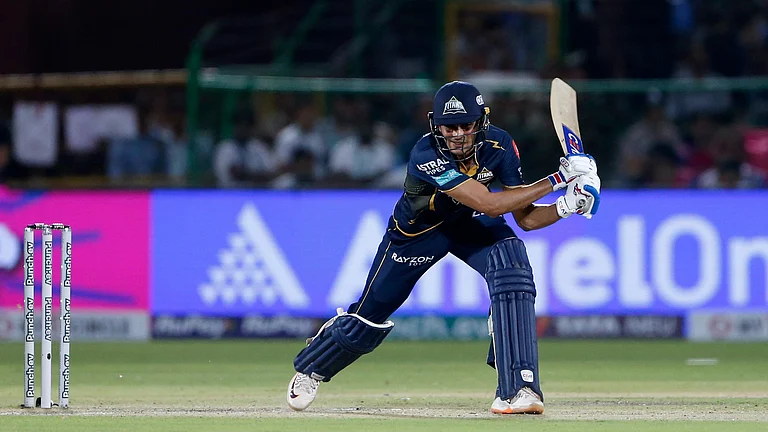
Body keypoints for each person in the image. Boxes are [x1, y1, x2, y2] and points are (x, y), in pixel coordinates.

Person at [286, 81, 601, 415]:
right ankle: (313, 366)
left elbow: (526, 219)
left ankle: (518, 389)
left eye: (466, 125)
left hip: (470, 223)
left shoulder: (500, 145)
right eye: (450, 127)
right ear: (435, 125)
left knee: (512, 266)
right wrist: (558, 179)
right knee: (368, 316)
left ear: (482, 121)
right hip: (417, 234)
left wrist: (568, 204)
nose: (459, 135)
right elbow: (490, 203)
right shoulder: (425, 154)